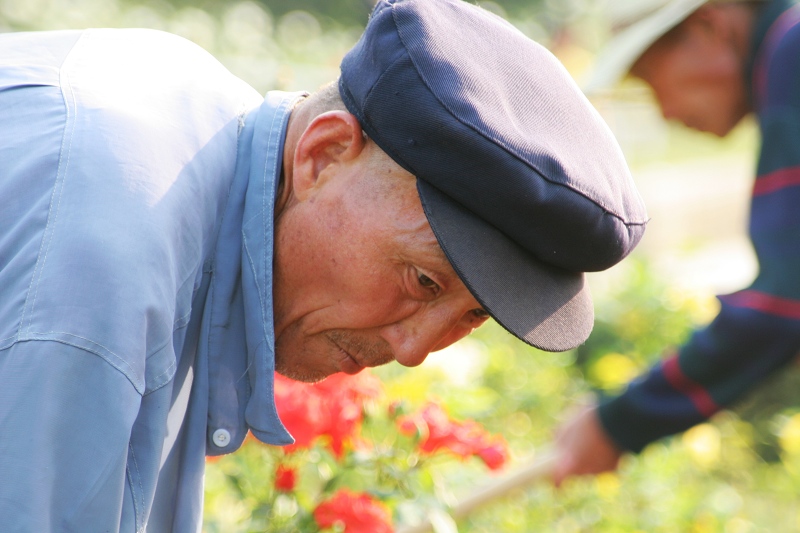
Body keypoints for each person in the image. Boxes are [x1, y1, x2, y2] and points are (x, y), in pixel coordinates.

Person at [0, 0, 647, 530]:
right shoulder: (109, 256)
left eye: (471, 315)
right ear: (325, 152)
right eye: (421, 280)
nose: (416, 348)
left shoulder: (198, 121)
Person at [552, 0, 800, 484]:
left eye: (651, 79)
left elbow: (785, 302)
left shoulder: (792, 53)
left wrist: (619, 422)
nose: (665, 112)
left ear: (709, 27)